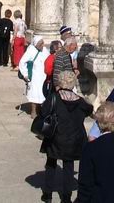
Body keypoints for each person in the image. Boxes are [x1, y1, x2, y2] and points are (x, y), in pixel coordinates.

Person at [40, 70, 94, 203]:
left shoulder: (54, 98)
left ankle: (47, 194)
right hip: (74, 138)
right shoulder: (80, 101)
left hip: (55, 137)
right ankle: (66, 197)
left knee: (51, 163)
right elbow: (89, 110)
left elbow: (44, 112)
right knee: (69, 167)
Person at [19, 36, 48, 118]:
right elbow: (22, 62)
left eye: (42, 43)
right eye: (40, 44)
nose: (42, 45)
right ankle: (33, 111)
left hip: (44, 75)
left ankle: (41, 110)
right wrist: (25, 74)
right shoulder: (31, 51)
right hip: (35, 76)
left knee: (43, 93)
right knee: (34, 94)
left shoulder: (45, 50)